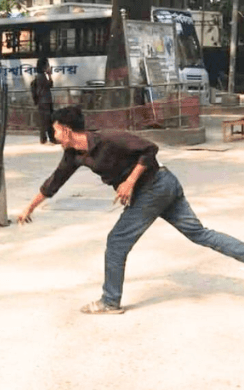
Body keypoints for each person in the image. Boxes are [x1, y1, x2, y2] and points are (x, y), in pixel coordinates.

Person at [18, 106, 244, 314]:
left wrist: (130, 182)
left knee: (117, 241)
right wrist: (29, 207)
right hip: (161, 187)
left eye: (55, 130)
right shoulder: (73, 155)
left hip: (155, 186)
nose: (54, 136)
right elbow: (54, 182)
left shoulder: (109, 138)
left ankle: (110, 301)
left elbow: (150, 149)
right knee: (199, 233)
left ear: (66, 130)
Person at [33, 57, 57, 144]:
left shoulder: (41, 76)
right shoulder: (41, 77)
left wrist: (49, 75)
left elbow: (50, 85)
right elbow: (49, 85)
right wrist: (49, 75)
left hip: (45, 101)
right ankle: (47, 138)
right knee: (47, 120)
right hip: (44, 101)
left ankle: (46, 138)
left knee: (46, 120)